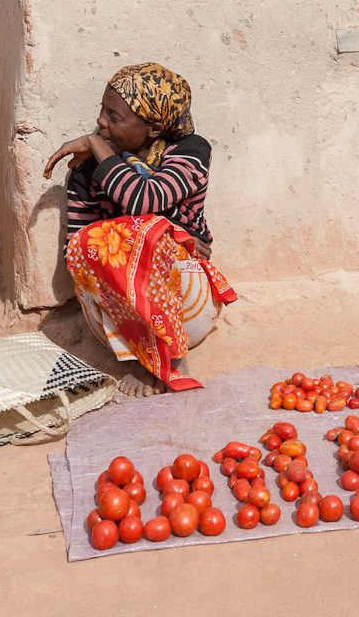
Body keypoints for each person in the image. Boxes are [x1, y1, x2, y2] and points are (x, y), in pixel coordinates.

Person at [43, 63, 236, 397]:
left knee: (146, 231)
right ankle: (141, 354)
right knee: (111, 238)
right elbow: (75, 249)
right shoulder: (87, 170)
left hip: (187, 308)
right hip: (118, 320)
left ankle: (171, 353)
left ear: (155, 128)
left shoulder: (190, 151)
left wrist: (96, 146)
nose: (101, 122)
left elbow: (145, 199)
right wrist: (171, 230)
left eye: (114, 117)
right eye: (102, 111)